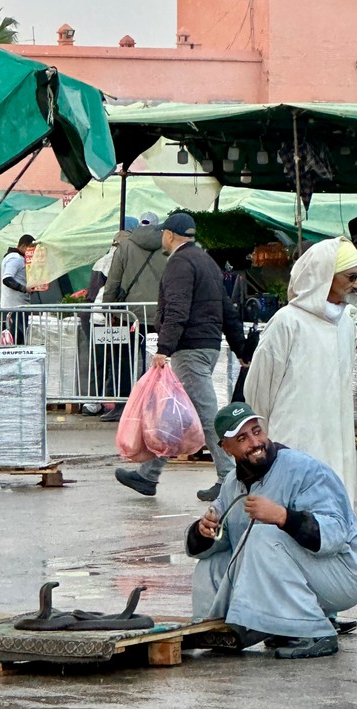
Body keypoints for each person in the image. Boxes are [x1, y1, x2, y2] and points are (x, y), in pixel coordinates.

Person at [185, 403, 357, 658]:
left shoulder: (303, 469)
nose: (255, 442)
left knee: (263, 537)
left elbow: (336, 534)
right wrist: (203, 531)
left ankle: (316, 631)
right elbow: (222, 539)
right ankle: (220, 628)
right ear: (225, 448)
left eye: (256, 431)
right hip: (310, 575)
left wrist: (284, 517)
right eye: (242, 438)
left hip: (344, 574)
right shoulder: (232, 483)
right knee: (213, 561)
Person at [114, 212, 246, 502]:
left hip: (189, 350)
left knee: (208, 416)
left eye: (163, 233)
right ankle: (148, 476)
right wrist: (241, 350)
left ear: (171, 235)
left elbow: (177, 308)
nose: (162, 237)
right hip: (207, 347)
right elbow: (227, 308)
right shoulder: (207, 262)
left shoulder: (179, 263)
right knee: (178, 415)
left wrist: (164, 348)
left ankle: (229, 479)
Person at [244, 237, 357, 503]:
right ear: (324, 277)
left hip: (335, 442)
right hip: (291, 442)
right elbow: (258, 390)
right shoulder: (287, 322)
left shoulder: (346, 325)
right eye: (351, 277)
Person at [100, 212, 168, 422]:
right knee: (158, 362)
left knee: (124, 361)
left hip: (128, 316)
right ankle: (155, 406)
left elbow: (113, 282)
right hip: (159, 315)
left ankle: (123, 406)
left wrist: (108, 309)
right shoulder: (167, 248)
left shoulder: (125, 246)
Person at [81, 230, 130, 416]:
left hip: (97, 317)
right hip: (112, 318)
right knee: (116, 361)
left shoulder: (100, 261)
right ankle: (112, 401)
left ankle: (93, 401)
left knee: (99, 362)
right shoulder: (119, 261)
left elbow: (92, 294)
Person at [0, 234, 37, 344]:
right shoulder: (15, 258)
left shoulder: (17, 258)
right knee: (17, 339)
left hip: (17, 307)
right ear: (24, 246)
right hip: (14, 308)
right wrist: (24, 288)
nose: (32, 253)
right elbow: (7, 279)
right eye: (31, 249)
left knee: (18, 338)